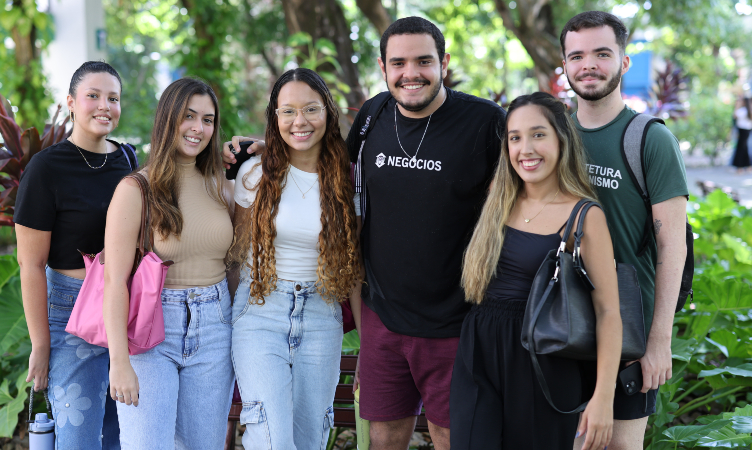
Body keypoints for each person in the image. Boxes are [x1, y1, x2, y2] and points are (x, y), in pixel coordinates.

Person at [225, 17, 504, 449]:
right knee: (377, 438)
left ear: (444, 62)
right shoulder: (374, 115)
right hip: (382, 321)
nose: (410, 72)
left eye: (423, 61)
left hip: (454, 321)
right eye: (399, 62)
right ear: (383, 66)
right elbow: (319, 160)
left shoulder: (485, 122)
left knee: (453, 438)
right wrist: (264, 148)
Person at [451, 92, 623, 450]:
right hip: (479, 350)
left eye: (538, 134)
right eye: (515, 138)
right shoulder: (498, 202)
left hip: (543, 359)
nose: (525, 148)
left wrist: (603, 398)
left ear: (561, 138)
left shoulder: (585, 216)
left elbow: (608, 312)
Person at [560, 11, 689, 450]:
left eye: (601, 53)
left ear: (624, 61)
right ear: (564, 65)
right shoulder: (553, 135)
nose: (588, 65)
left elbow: (674, 246)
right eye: (576, 55)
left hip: (631, 331)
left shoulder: (649, 139)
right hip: (561, 319)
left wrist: (659, 340)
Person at [229, 68, 360, 450]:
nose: (299, 121)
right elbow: (236, 257)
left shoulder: (347, 180)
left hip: (321, 315)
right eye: (287, 111)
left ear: (328, 114)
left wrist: (367, 341)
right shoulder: (254, 174)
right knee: (271, 438)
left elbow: (354, 267)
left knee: (310, 438)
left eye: (310, 110)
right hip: (259, 311)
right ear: (274, 118)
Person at [102, 77, 235, 449]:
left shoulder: (222, 185)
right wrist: (119, 361)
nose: (198, 128)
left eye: (208, 120)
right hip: (151, 331)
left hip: (215, 326)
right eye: (189, 116)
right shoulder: (136, 190)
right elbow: (114, 281)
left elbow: (235, 265)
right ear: (168, 119)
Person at [14, 61, 130, 450]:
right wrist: (41, 344)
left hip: (127, 315)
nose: (104, 106)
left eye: (113, 98)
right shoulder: (45, 169)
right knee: (79, 439)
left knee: (122, 437)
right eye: (93, 96)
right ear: (70, 103)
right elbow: (30, 266)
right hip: (70, 315)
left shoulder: (128, 161)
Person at [731, 94, 752, 173]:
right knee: (744, 147)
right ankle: (747, 166)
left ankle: (740, 167)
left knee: (741, 148)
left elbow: (734, 115)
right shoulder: (748, 110)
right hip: (747, 130)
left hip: (743, 131)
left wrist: (737, 106)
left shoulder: (743, 110)